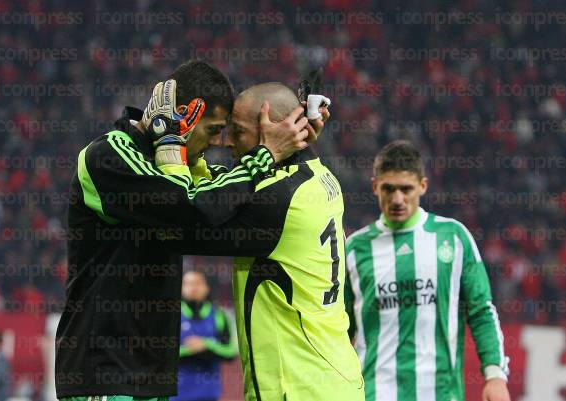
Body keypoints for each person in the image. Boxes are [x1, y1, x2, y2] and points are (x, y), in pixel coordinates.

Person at [55, 61, 310, 401]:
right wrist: (265, 155)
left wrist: (292, 144)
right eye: (212, 129)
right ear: (184, 116)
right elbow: (189, 209)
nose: (215, 143)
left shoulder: (179, 167)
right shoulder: (108, 157)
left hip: (151, 377)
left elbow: (228, 196)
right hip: (104, 375)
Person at [168, 82, 363, 401]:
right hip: (333, 378)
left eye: (239, 131)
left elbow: (188, 217)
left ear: (274, 131)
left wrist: (175, 152)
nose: (227, 141)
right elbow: (233, 186)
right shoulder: (317, 175)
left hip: (297, 387)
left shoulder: (276, 201)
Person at [344, 140, 511, 401]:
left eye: (406, 189)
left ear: (423, 186)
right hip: (373, 393)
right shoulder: (354, 249)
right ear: (375, 186)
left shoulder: (454, 238)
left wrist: (495, 375)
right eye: (388, 189)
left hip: (440, 393)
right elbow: (338, 328)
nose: (397, 199)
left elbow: (481, 310)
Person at [172, 271, 237, 401]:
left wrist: (206, 344)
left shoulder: (219, 316)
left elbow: (231, 351)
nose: (193, 288)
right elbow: (159, 354)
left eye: (197, 283)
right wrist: (189, 349)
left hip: (209, 394)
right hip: (175, 395)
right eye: (187, 283)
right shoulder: (171, 316)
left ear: (207, 288)